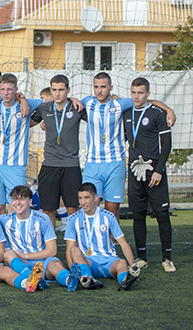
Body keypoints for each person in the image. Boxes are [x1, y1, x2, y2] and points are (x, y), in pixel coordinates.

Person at [80, 72, 176, 223]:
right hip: (92, 164)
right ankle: (91, 245)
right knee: (89, 207)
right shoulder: (87, 102)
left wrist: (168, 109)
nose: (99, 90)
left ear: (110, 88)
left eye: (103, 87)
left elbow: (145, 101)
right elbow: (69, 104)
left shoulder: (120, 103)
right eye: (96, 87)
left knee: (112, 210)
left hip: (115, 163)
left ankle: (111, 245)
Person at [123, 77, 175, 272]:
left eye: (141, 93)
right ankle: (142, 257)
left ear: (148, 94)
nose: (136, 96)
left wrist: (159, 170)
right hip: (135, 170)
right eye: (134, 92)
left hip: (154, 171)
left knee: (162, 214)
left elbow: (167, 144)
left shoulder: (157, 114)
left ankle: (167, 258)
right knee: (137, 215)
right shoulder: (126, 114)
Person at [0, 185, 79, 292]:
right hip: (21, 263)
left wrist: (26, 255)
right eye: (15, 199)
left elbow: (52, 251)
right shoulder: (3, 220)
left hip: (43, 260)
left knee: (56, 265)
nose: (17, 203)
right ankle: (33, 278)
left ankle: (68, 280)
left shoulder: (42, 218)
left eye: (22, 199)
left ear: (30, 201)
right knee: (8, 254)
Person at [30, 75, 85, 229]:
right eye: (54, 90)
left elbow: (97, 109)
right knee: (47, 210)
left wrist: (74, 99)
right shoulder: (44, 108)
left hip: (71, 165)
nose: (57, 93)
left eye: (61, 90)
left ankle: (73, 248)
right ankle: (50, 250)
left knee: (73, 208)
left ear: (68, 90)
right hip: (49, 165)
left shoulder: (77, 108)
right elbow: (27, 123)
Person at [65, 183, 141, 291]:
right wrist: (72, 272)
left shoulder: (108, 216)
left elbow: (123, 244)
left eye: (86, 198)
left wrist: (132, 265)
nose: (82, 202)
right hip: (88, 262)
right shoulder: (73, 219)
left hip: (109, 261)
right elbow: (69, 250)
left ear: (96, 198)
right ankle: (88, 278)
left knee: (122, 263)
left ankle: (125, 281)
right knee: (74, 250)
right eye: (80, 198)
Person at [0, 74, 41, 217]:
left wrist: (23, 99)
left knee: (15, 207)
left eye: (10, 89)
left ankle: (14, 238)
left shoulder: (26, 104)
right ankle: (0, 239)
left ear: (16, 89)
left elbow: (50, 102)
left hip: (16, 165)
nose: (6, 93)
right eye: (3, 89)